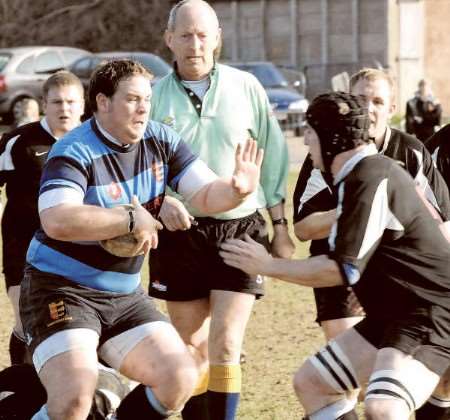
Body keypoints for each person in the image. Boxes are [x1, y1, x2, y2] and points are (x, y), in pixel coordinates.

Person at [20, 58, 264, 420]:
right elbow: (57, 220)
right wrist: (130, 218)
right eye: (132, 99)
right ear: (103, 102)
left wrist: (236, 190)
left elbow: (205, 194)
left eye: (147, 100)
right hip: (60, 290)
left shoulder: (159, 139)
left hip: (123, 296)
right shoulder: (74, 150)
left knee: (180, 376)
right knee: (73, 399)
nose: (143, 108)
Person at [220, 92, 450, 420]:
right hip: (396, 314)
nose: (307, 145)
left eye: (311, 135)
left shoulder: (370, 177)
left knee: (384, 408)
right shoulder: (360, 174)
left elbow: (342, 270)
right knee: (312, 384)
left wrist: (268, 265)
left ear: (332, 140)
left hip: (431, 312)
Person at [148, 1, 294, 419]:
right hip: (180, 234)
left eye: (203, 34)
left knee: (226, 343)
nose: (195, 44)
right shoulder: (154, 98)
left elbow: (275, 156)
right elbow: (139, 164)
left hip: (239, 230)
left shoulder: (247, 86)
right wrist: (162, 202)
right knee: (191, 346)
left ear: (217, 38)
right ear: (169, 39)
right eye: (186, 35)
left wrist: (280, 225)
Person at [292, 67, 450, 419]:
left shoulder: (411, 152)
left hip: (407, 283)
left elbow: (443, 222)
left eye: (378, 101)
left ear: (392, 106)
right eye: (362, 99)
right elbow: (302, 227)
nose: (370, 108)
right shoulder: (325, 152)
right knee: (338, 380)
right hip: (338, 266)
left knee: (387, 393)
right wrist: (358, 212)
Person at [0, 71, 85, 365]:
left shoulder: (95, 143)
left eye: (71, 102)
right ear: (43, 104)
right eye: (57, 102)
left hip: (76, 254)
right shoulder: (18, 142)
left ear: (83, 105)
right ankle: (19, 393)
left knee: (70, 326)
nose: (65, 109)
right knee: (27, 322)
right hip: (22, 251)